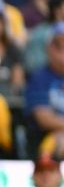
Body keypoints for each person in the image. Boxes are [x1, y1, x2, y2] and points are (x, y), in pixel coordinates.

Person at [26, 22, 64, 155]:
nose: (62, 53)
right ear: (49, 49)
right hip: (44, 140)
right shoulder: (39, 78)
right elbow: (45, 119)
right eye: (58, 46)